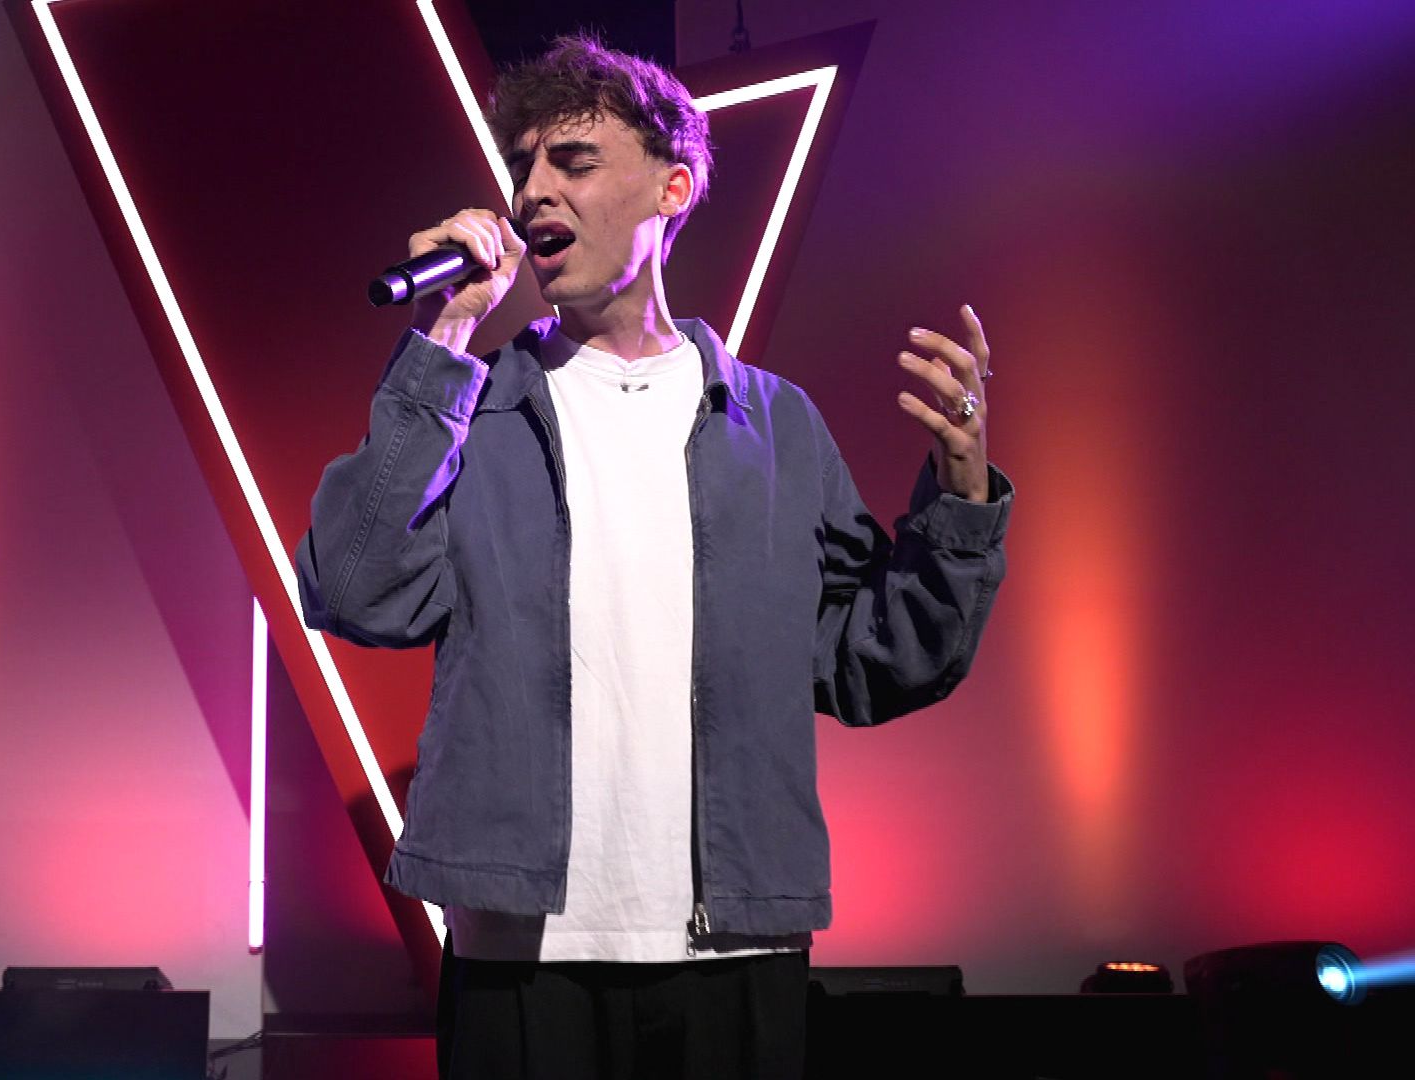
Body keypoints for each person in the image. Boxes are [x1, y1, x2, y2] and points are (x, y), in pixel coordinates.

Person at [296, 33, 1012, 1080]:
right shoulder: (476, 408)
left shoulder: (775, 426)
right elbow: (353, 588)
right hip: (520, 954)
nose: (533, 191)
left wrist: (962, 494)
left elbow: (881, 659)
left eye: (574, 161)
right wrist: (443, 340)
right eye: (524, 167)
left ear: (671, 188)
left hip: (733, 953)